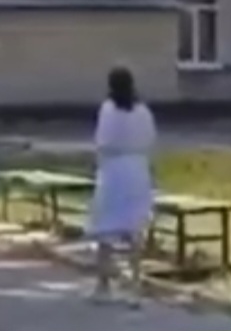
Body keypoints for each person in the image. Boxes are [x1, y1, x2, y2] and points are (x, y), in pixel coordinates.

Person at [86, 66, 157, 307]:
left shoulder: (108, 109)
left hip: (114, 171)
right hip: (137, 170)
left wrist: (97, 164)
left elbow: (102, 141)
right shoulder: (142, 110)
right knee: (134, 229)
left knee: (105, 228)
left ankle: (103, 285)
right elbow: (150, 139)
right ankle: (134, 286)